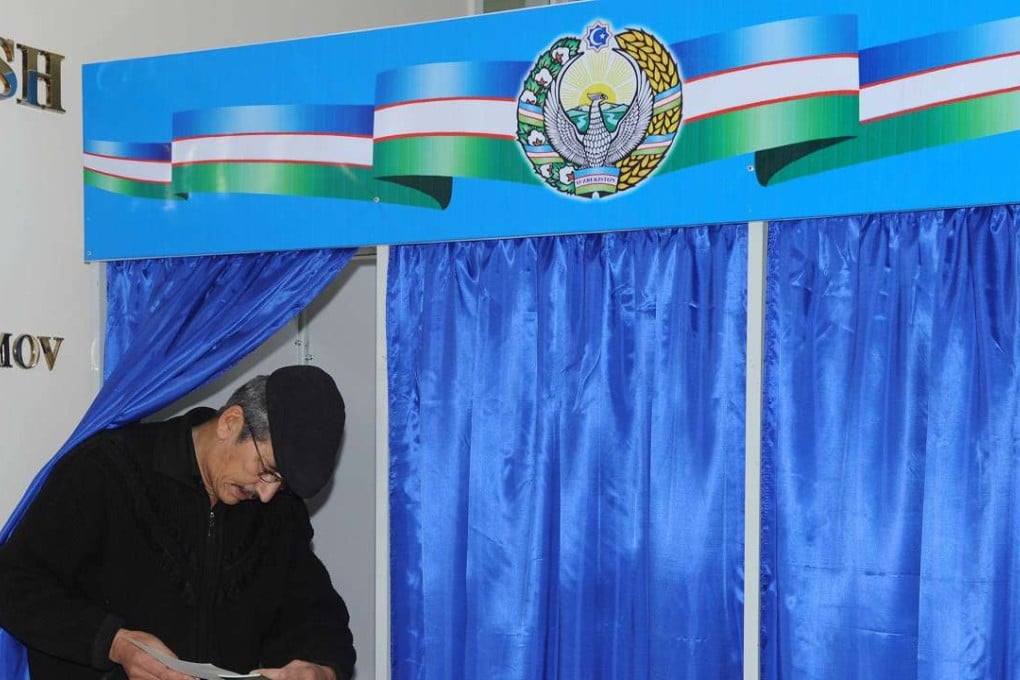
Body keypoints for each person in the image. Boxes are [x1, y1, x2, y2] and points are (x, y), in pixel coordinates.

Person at [0, 365, 356, 680]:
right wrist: (113, 642)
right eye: (267, 471)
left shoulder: (281, 511)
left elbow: (315, 614)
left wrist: (318, 668)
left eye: (282, 484)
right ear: (231, 423)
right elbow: (15, 583)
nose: (267, 494)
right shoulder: (108, 470)